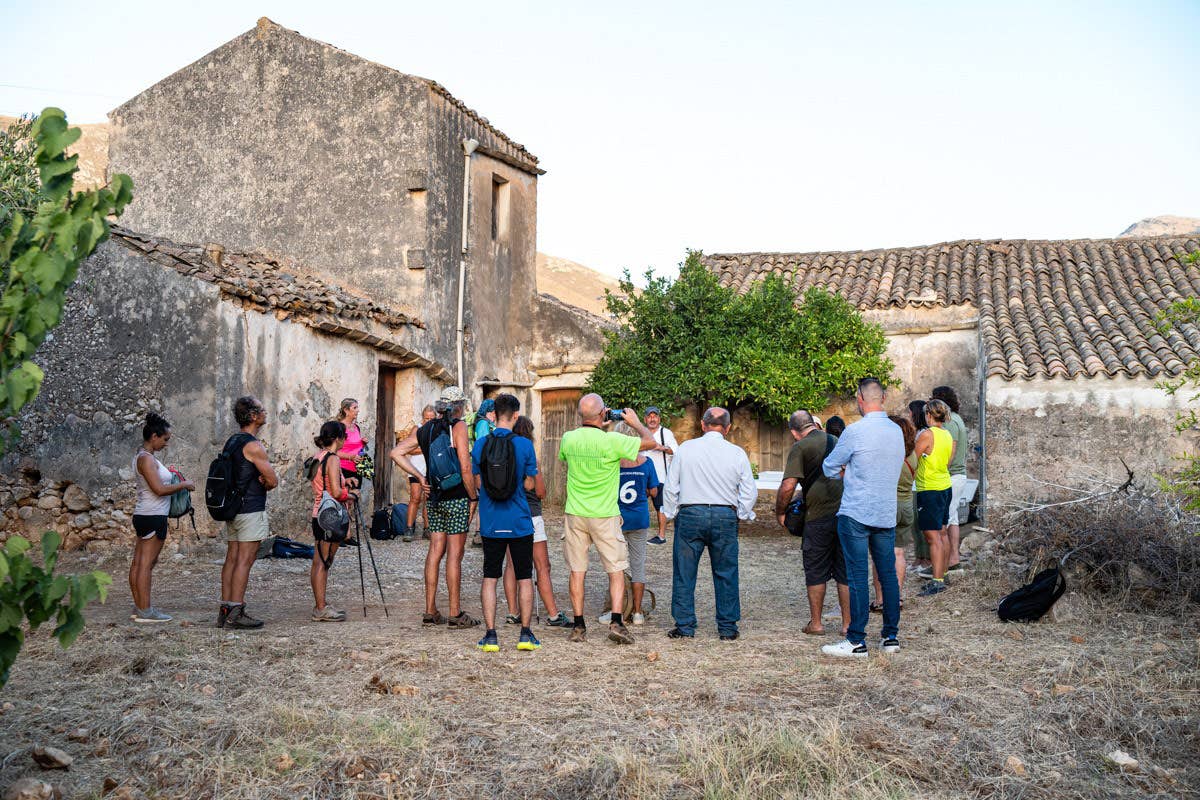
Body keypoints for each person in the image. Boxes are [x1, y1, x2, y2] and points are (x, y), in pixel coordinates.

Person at [558, 393, 656, 644]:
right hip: (604, 514)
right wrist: (634, 421)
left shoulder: (568, 439)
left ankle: (578, 626)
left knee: (577, 571)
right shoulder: (613, 440)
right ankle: (616, 621)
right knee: (616, 569)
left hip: (576, 512)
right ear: (603, 414)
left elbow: (565, 459)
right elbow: (650, 442)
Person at [820, 378, 904, 657]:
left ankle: (856, 640)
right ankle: (891, 636)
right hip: (885, 511)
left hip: (856, 510)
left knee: (857, 576)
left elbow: (829, 466)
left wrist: (847, 473)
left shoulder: (855, 431)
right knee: (887, 575)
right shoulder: (896, 431)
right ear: (882, 398)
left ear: (859, 398)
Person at [663, 407, 757, 641]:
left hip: (691, 513)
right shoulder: (736, 452)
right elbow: (749, 489)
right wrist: (743, 513)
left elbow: (671, 485)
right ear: (727, 428)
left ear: (703, 425)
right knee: (726, 571)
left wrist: (672, 511)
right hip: (724, 514)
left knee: (684, 572)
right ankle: (727, 627)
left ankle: (685, 626)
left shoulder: (686, 449)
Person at [389, 387, 480, 629]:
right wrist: (473, 497)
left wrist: (420, 477)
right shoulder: (458, 427)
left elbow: (396, 452)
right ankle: (455, 613)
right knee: (454, 555)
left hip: (434, 498)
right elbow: (465, 467)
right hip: (457, 496)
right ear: (459, 405)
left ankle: (430, 611)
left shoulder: (425, 429)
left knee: (434, 551)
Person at [471, 394, 542, 653]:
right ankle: (525, 634)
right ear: (515, 416)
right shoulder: (524, 445)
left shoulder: (480, 444)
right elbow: (530, 484)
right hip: (520, 521)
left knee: (490, 577)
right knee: (524, 576)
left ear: (493, 415)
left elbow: (478, 482)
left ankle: (490, 635)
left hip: (491, 521)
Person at [775, 410, 848, 637]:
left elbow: (788, 485)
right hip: (844, 513)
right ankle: (847, 624)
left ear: (794, 432)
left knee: (816, 570)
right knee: (844, 572)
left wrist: (780, 512)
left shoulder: (800, 447)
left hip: (817, 517)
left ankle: (816, 624)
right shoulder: (835, 440)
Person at [501, 415, 571, 627]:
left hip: (507, 514)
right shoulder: (530, 457)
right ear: (530, 434)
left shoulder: (503, 456)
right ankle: (553, 614)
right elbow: (540, 491)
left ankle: (513, 612)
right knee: (542, 565)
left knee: (512, 565)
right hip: (530, 515)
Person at [219, 395, 278, 630]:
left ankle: (225, 609)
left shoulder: (232, 442)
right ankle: (237, 610)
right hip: (251, 508)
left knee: (232, 559)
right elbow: (272, 480)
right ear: (253, 416)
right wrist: (265, 481)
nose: (265, 413)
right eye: (262, 410)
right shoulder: (253, 445)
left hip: (233, 509)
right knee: (245, 559)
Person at [129, 412, 194, 623]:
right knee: (146, 564)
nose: (166, 444)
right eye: (165, 440)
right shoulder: (147, 460)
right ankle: (146, 610)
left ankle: (140, 606)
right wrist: (183, 484)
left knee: (139, 562)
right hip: (153, 515)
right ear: (154, 436)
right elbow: (158, 489)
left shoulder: (142, 457)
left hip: (144, 513)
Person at [599, 421, 660, 626]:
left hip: (616, 518)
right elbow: (654, 492)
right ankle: (638, 612)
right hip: (640, 518)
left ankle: (616, 609)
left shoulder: (612, 462)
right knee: (638, 565)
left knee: (616, 566)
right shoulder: (647, 462)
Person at [309, 420, 359, 622]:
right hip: (330, 515)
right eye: (344, 437)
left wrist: (343, 480)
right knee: (324, 562)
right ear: (338, 438)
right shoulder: (333, 459)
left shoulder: (318, 456)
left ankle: (320, 605)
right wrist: (352, 494)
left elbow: (324, 482)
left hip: (318, 513)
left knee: (318, 561)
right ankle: (321, 608)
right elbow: (337, 493)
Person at [873, 415, 917, 612]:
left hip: (887, 505)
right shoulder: (913, 454)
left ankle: (881, 599)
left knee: (878, 554)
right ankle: (896, 598)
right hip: (906, 505)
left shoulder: (888, 455)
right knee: (899, 552)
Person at [914, 398, 956, 597]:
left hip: (929, 489)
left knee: (932, 538)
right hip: (945, 486)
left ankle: (937, 581)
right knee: (942, 532)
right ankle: (943, 573)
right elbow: (948, 461)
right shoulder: (947, 434)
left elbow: (913, 460)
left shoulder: (927, 434)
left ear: (928, 415)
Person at [931, 385, 969, 572]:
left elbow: (951, 452)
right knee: (952, 518)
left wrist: (938, 470)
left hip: (951, 476)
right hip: (955, 476)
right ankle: (953, 558)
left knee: (945, 520)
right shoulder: (956, 419)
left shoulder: (951, 422)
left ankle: (946, 561)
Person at [643, 407, 677, 545]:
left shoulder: (666, 433)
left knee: (660, 507)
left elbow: (676, 451)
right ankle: (634, 533)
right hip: (642, 475)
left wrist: (661, 447)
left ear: (659, 419)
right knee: (637, 503)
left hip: (660, 476)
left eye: (655, 416)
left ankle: (661, 536)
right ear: (645, 419)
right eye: (649, 416)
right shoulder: (641, 432)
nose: (652, 419)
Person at [402, 405, 437, 542]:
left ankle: (427, 529)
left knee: (428, 499)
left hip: (431, 468)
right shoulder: (417, 429)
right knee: (415, 498)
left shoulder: (436, 429)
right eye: (426, 418)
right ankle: (409, 528)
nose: (428, 421)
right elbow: (409, 449)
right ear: (422, 417)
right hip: (417, 468)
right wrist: (426, 449)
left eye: (431, 418)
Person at [906, 400, 931, 568]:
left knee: (921, 524)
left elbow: (915, 458)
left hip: (921, 483)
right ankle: (919, 557)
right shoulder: (917, 433)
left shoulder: (924, 433)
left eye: (910, 412)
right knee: (915, 524)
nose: (908, 415)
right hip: (915, 484)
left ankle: (926, 558)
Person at [470, 399, 497, 547]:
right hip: (483, 467)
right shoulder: (483, 424)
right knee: (483, 500)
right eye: (494, 413)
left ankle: (480, 533)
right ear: (488, 412)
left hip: (483, 466)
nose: (495, 415)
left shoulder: (485, 423)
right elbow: (482, 446)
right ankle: (479, 533)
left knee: (482, 500)